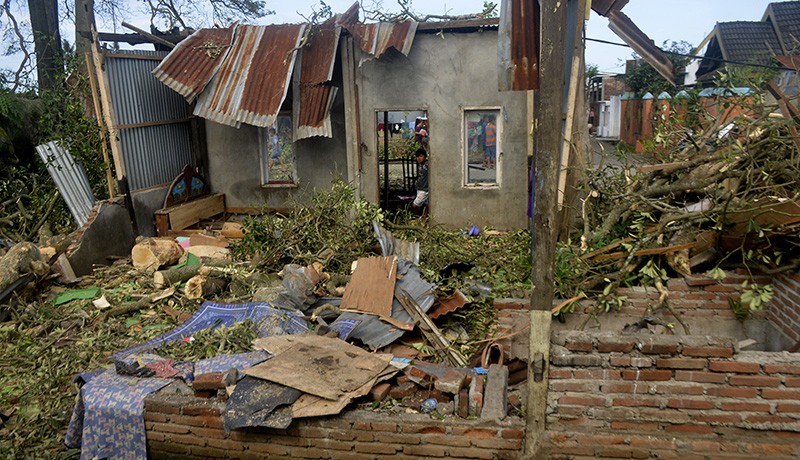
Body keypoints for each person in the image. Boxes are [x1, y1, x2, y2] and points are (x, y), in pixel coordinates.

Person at [412, 147, 429, 214]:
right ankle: (423, 218)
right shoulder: (420, 165)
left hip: (424, 190)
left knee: (415, 205)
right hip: (420, 188)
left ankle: (417, 216)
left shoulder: (426, 165)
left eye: (421, 156)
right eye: (417, 156)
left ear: (425, 157)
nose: (419, 158)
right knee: (425, 206)